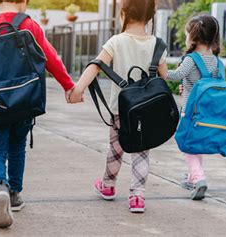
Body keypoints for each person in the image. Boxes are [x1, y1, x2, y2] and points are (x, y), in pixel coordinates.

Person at [0, 0, 75, 228]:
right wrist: (69, 86)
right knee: (17, 146)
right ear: (24, 1)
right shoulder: (30, 26)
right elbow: (51, 58)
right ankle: (15, 194)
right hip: (26, 100)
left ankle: (0, 186)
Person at [69, 0, 167, 213]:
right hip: (147, 110)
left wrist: (78, 89)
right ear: (150, 16)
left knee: (116, 149)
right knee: (141, 151)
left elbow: (96, 65)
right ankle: (138, 197)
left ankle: (108, 185)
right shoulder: (157, 44)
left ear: (123, 14)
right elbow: (165, 77)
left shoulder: (116, 41)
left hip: (120, 110)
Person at [163, 15, 223, 200]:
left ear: (193, 37)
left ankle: (198, 178)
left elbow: (174, 75)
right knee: (195, 144)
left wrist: (161, 67)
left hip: (190, 111)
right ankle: (191, 177)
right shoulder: (215, 61)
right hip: (208, 112)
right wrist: (187, 84)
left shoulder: (191, 59)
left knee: (187, 145)